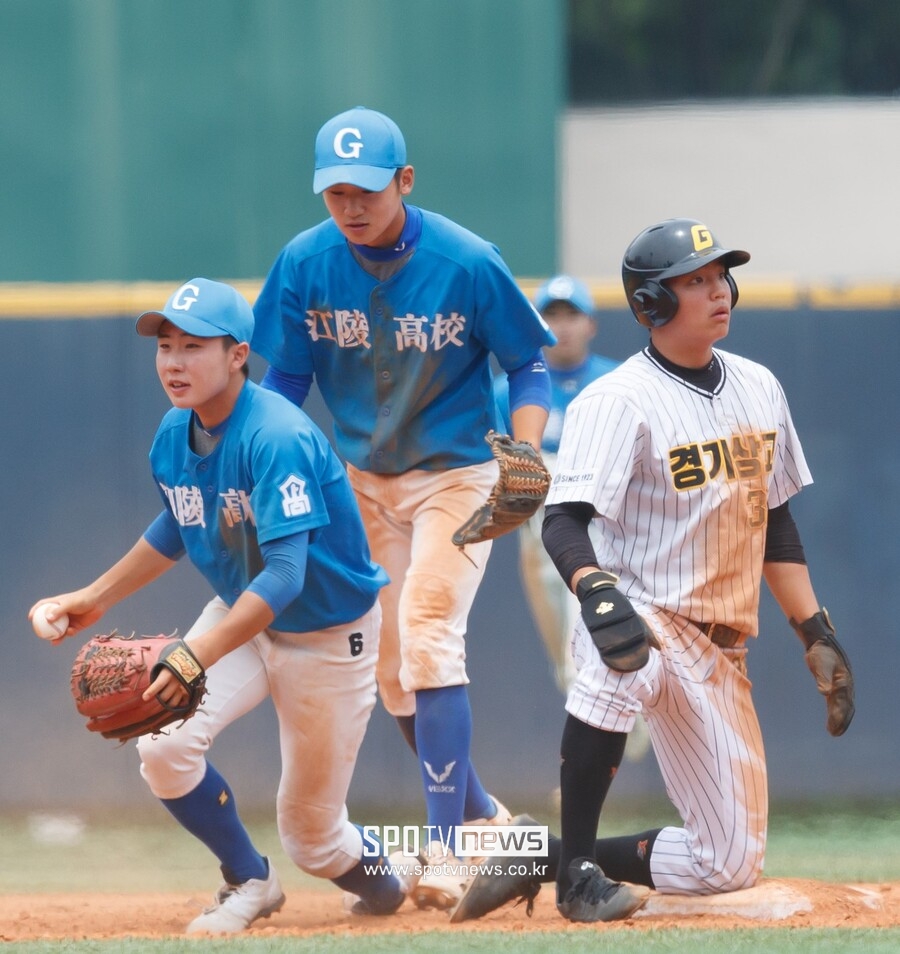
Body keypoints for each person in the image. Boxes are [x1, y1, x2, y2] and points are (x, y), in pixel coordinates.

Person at [449, 218, 855, 924]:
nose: (718, 291)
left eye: (720, 275)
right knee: (624, 658)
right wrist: (597, 591)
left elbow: (775, 522)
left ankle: (539, 855)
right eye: (694, 280)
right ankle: (576, 881)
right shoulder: (617, 400)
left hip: (721, 646)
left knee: (726, 864)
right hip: (637, 607)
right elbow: (564, 519)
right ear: (652, 303)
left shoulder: (760, 387)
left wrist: (814, 629)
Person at [29, 278, 408, 934]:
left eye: (194, 346)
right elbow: (178, 526)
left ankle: (394, 884)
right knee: (163, 748)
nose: (173, 362)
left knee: (314, 839)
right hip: (243, 616)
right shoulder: (175, 434)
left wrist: (192, 655)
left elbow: (287, 575)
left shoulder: (277, 436)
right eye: (165, 346)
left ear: (238, 355)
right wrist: (91, 597)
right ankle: (249, 879)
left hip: (326, 634)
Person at [251, 106, 557, 910]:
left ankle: (447, 852)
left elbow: (528, 366)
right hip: (357, 478)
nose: (351, 205)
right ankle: (493, 825)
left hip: (456, 474)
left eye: (368, 189)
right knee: (387, 671)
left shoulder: (466, 260)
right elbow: (281, 385)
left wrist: (523, 451)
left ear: (405, 181)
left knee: (427, 633)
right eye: (335, 191)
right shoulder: (304, 262)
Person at [494, 275, 619, 694]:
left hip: (603, 528)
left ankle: (607, 713)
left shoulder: (617, 383)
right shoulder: (507, 390)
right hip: (537, 536)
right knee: (562, 655)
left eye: (572, 314)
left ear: (591, 325)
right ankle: (606, 712)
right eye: (551, 314)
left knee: (582, 647)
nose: (562, 325)